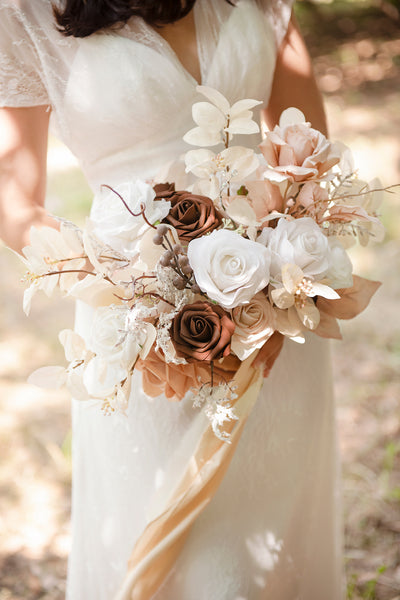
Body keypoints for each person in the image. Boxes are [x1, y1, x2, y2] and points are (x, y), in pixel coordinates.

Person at [0, 0, 344, 598]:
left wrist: (279, 261)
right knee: (179, 547)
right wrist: (128, 287)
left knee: (269, 538)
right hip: (139, 321)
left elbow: (307, 145)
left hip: (271, 305)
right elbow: (12, 200)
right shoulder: (26, 12)